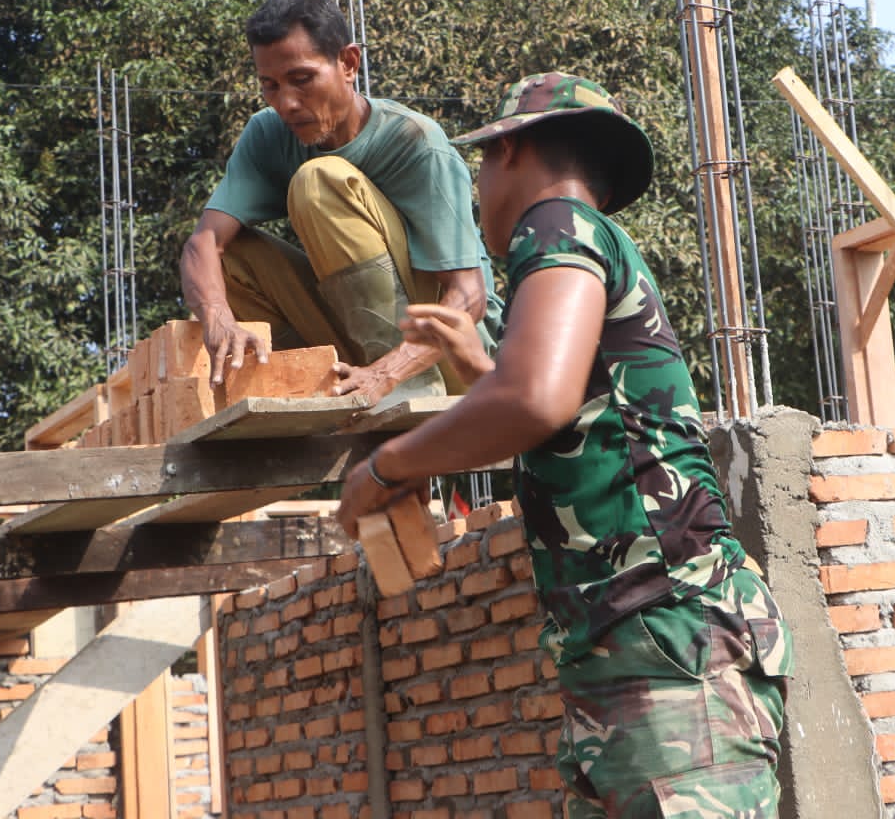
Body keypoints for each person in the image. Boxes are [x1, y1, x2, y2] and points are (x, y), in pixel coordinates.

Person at [336, 73, 793, 819]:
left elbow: (534, 400)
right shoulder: (583, 239)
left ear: (510, 150)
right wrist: (483, 373)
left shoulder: (554, 223)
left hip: (667, 633)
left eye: (482, 165)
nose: (478, 190)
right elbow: (570, 418)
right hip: (632, 644)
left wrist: (386, 468)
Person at [180, 0, 501, 404]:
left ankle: (402, 391)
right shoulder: (267, 135)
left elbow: (469, 297)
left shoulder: (416, 142)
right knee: (225, 259)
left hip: (454, 361)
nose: (286, 103)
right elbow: (203, 243)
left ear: (348, 63)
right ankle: (313, 384)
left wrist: (387, 373)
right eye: (270, 86)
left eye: (302, 80)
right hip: (359, 351)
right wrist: (218, 318)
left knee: (319, 180)